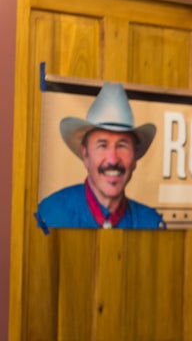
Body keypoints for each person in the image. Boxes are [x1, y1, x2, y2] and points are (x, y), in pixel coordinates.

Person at [36, 82, 165, 230]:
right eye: (102, 145)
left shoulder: (151, 223)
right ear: (85, 155)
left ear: (135, 157)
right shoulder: (50, 215)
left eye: (122, 145)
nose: (113, 159)